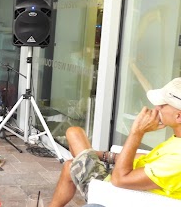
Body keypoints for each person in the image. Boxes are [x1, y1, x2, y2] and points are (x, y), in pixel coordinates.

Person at [49, 78, 181, 207]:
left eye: (162, 105)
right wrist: (104, 155)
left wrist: (136, 133)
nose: (157, 108)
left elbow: (120, 180)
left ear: (178, 116)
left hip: (119, 193)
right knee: (72, 152)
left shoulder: (177, 160)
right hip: (126, 178)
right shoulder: (177, 138)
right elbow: (150, 159)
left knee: (73, 141)